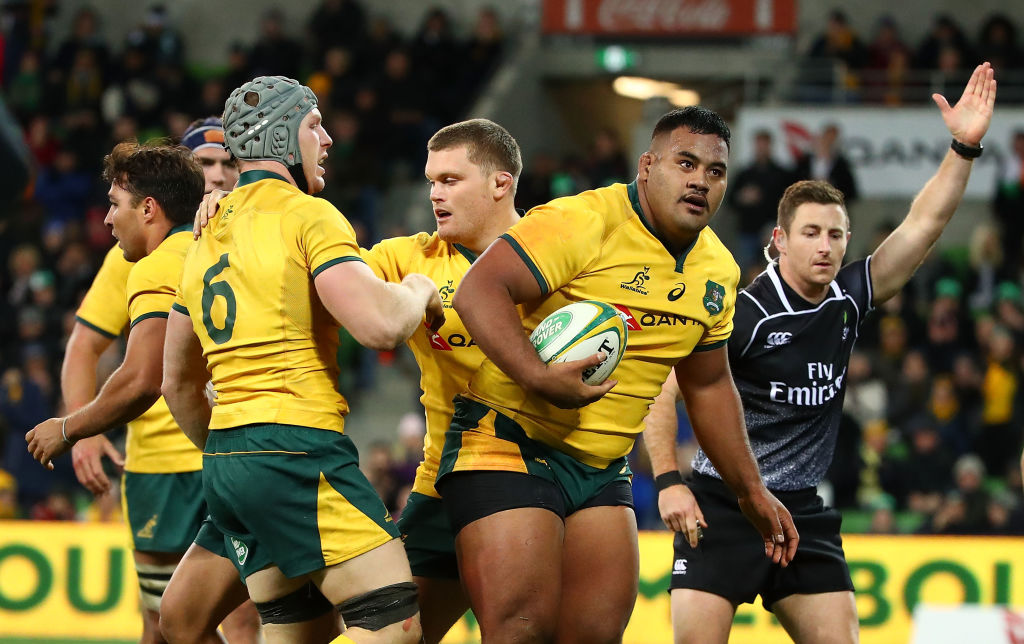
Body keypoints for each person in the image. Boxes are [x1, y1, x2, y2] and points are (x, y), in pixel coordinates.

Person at [646, 62, 997, 644]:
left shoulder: (849, 298)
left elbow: (923, 225)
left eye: (835, 235)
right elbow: (663, 389)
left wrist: (963, 147)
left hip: (802, 511)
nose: (825, 247)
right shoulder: (745, 313)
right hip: (723, 504)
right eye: (810, 233)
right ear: (779, 240)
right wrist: (667, 482)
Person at [437, 106, 798, 643]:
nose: (700, 181)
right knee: (520, 630)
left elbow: (706, 385)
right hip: (508, 441)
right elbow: (479, 291)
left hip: (603, 469)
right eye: (686, 163)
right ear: (647, 166)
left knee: (595, 636)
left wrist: (751, 490)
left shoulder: (719, 271)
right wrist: (538, 376)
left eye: (715, 171)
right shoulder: (584, 219)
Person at [161, 75, 440, 644]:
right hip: (295, 449)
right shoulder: (309, 215)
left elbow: (178, 384)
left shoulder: (203, 237)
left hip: (228, 457)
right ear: (281, 135)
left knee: (299, 634)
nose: (328, 138)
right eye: (314, 125)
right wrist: (418, 288)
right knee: (395, 625)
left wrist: (239, 454)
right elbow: (380, 326)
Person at [25, 141, 209, 644]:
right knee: (182, 623)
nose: (106, 219)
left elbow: (143, 377)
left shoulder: (156, 264)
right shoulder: (220, 247)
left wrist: (69, 427)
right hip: (218, 454)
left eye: (113, 204)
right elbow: (84, 347)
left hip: (215, 454)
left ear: (149, 208)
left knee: (182, 622)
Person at [362, 118, 523, 643]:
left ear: (500, 183)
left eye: (450, 180)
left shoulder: (557, 254)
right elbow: (319, 285)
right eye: (431, 181)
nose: (434, 194)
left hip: (541, 480)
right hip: (445, 480)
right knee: (395, 633)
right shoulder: (406, 259)